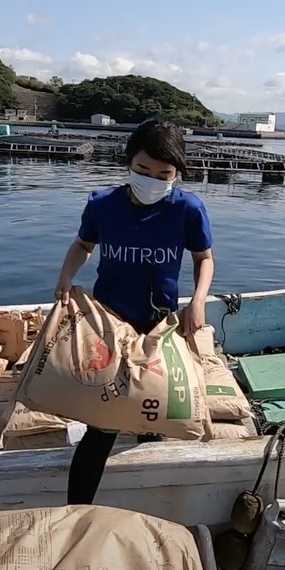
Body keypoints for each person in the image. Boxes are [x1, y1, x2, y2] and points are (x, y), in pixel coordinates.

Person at [54, 118, 215, 505]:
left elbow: (204, 258)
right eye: (143, 169)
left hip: (159, 325)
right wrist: (64, 277)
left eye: (164, 174)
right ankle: (78, 509)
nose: (152, 179)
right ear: (129, 162)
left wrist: (198, 301)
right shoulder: (102, 204)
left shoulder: (188, 209)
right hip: (109, 324)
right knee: (103, 423)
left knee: (152, 413)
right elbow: (82, 246)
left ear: (176, 174)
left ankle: (146, 500)